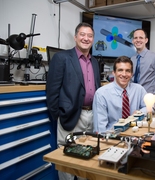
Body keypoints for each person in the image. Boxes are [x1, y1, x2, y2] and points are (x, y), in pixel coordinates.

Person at [46, 22, 101, 180]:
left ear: (93, 39)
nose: (86, 38)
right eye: (82, 35)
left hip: (91, 115)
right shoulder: (62, 58)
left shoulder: (95, 62)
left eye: (89, 36)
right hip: (70, 116)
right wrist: (59, 114)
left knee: (88, 153)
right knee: (67, 157)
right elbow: (52, 90)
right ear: (75, 37)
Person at [93, 56, 147, 134]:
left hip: (135, 134)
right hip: (112, 136)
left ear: (132, 74)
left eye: (127, 71)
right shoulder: (101, 94)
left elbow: (150, 107)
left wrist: (140, 112)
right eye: (120, 70)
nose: (124, 74)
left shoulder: (139, 89)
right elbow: (100, 128)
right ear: (114, 73)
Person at [131, 28, 155, 95]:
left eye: (141, 38)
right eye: (135, 38)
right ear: (133, 41)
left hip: (149, 99)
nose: (138, 40)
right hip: (134, 97)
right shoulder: (132, 59)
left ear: (146, 40)